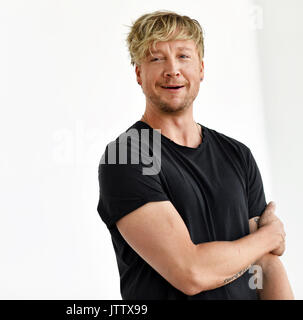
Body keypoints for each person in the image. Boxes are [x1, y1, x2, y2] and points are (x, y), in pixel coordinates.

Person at [97, 10, 294, 300]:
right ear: (139, 73)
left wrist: (262, 246)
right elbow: (190, 272)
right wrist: (268, 236)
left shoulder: (237, 155)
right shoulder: (127, 156)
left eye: (183, 56)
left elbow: (265, 263)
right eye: (156, 58)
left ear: (201, 68)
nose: (172, 69)